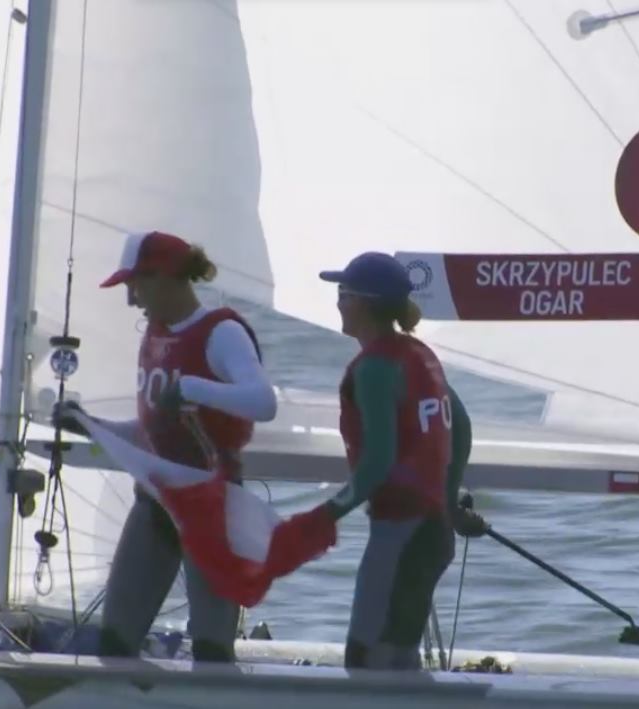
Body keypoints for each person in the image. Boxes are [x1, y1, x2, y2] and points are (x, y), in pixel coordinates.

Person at [55, 230, 277, 663]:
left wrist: (195, 387)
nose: (132, 300)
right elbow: (153, 430)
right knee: (115, 644)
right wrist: (90, 425)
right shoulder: (154, 335)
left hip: (211, 509)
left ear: (166, 277)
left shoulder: (222, 333)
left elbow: (263, 401)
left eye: (135, 286)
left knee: (213, 650)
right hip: (155, 505)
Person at [315, 251, 487, 671]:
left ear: (362, 303)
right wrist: (446, 502)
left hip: (399, 536)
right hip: (431, 535)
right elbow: (460, 427)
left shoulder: (373, 369)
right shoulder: (417, 354)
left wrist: (322, 517)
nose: (337, 301)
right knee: (397, 656)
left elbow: (377, 465)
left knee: (367, 659)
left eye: (343, 293)